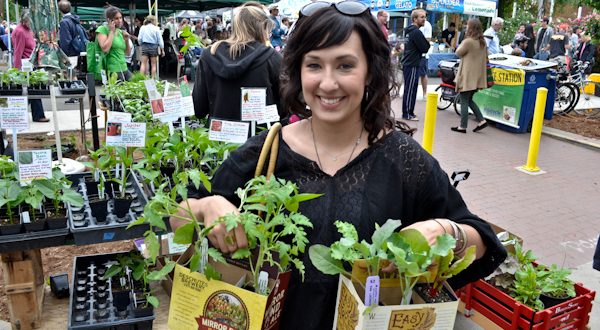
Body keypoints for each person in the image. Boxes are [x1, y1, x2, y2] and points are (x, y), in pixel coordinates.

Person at [173, 2, 506, 329]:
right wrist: (207, 205)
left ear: (370, 71)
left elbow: (483, 241)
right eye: (314, 65)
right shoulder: (267, 152)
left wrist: (446, 232)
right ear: (298, 71)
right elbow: (176, 221)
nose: (328, 83)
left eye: (345, 66)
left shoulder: (404, 160)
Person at [192, 2, 283, 122]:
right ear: (263, 27)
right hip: (262, 137)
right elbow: (285, 108)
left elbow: (199, 109)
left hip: (217, 137)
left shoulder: (210, 54)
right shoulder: (272, 58)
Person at [451, 19, 488, 134]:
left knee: (463, 100)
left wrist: (461, 41)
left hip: (467, 75)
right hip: (477, 77)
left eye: (467, 26)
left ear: (471, 28)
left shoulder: (469, 42)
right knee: (469, 99)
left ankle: (463, 126)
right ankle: (481, 120)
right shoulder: (483, 42)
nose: (466, 27)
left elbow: (458, 52)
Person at [12, 10, 48, 122]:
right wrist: (16, 70)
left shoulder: (27, 29)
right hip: (25, 65)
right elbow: (18, 51)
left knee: (32, 90)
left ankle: (34, 115)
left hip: (31, 63)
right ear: (24, 20)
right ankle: (37, 115)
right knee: (33, 89)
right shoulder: (20, 31)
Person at [402, 9, 430, 121]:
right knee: (410, 89)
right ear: (414, 19)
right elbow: (425, 48)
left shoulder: (408, 31)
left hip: (408, 62)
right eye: (421, 17)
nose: (424, 19)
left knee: (410, 88)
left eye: (424, 17)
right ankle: (407, 113)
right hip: (412, 63)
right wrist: (426, 43)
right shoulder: (416, 32)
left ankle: (409, 112)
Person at [96, 6, 132, 81]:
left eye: (120, 18)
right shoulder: (102, 29)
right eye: (116, 18)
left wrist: (126, 40)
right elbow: (105, 49)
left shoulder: (120, 31)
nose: (120, 21)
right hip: (113, 70)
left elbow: (127, 53)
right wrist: (111, 31)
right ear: (109, 20)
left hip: (124, 68)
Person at [418, 17, 432, 100]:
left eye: (423, 16)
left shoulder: (427, 25)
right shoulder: (414, 25)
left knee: (423, 74)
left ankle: (424, 93)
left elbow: (428, 40)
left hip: (423, 54)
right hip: (415, 54)